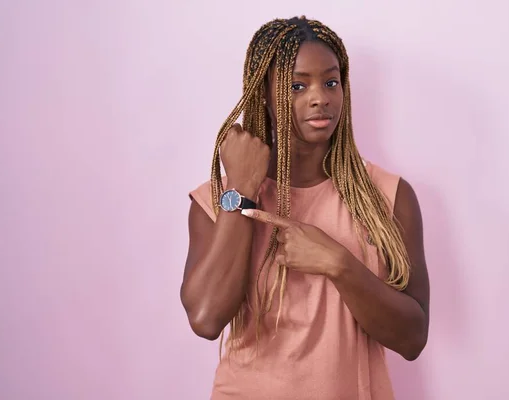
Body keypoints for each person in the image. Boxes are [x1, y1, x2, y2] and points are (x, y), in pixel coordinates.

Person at [181, 16, 430, 400]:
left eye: (331, 82)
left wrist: (339, 263)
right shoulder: (217, 199)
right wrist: (243, 189)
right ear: (262, 93)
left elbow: (412, 338)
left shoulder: (388, 197)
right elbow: (205, 317)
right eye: (297, 85)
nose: (320, 97)